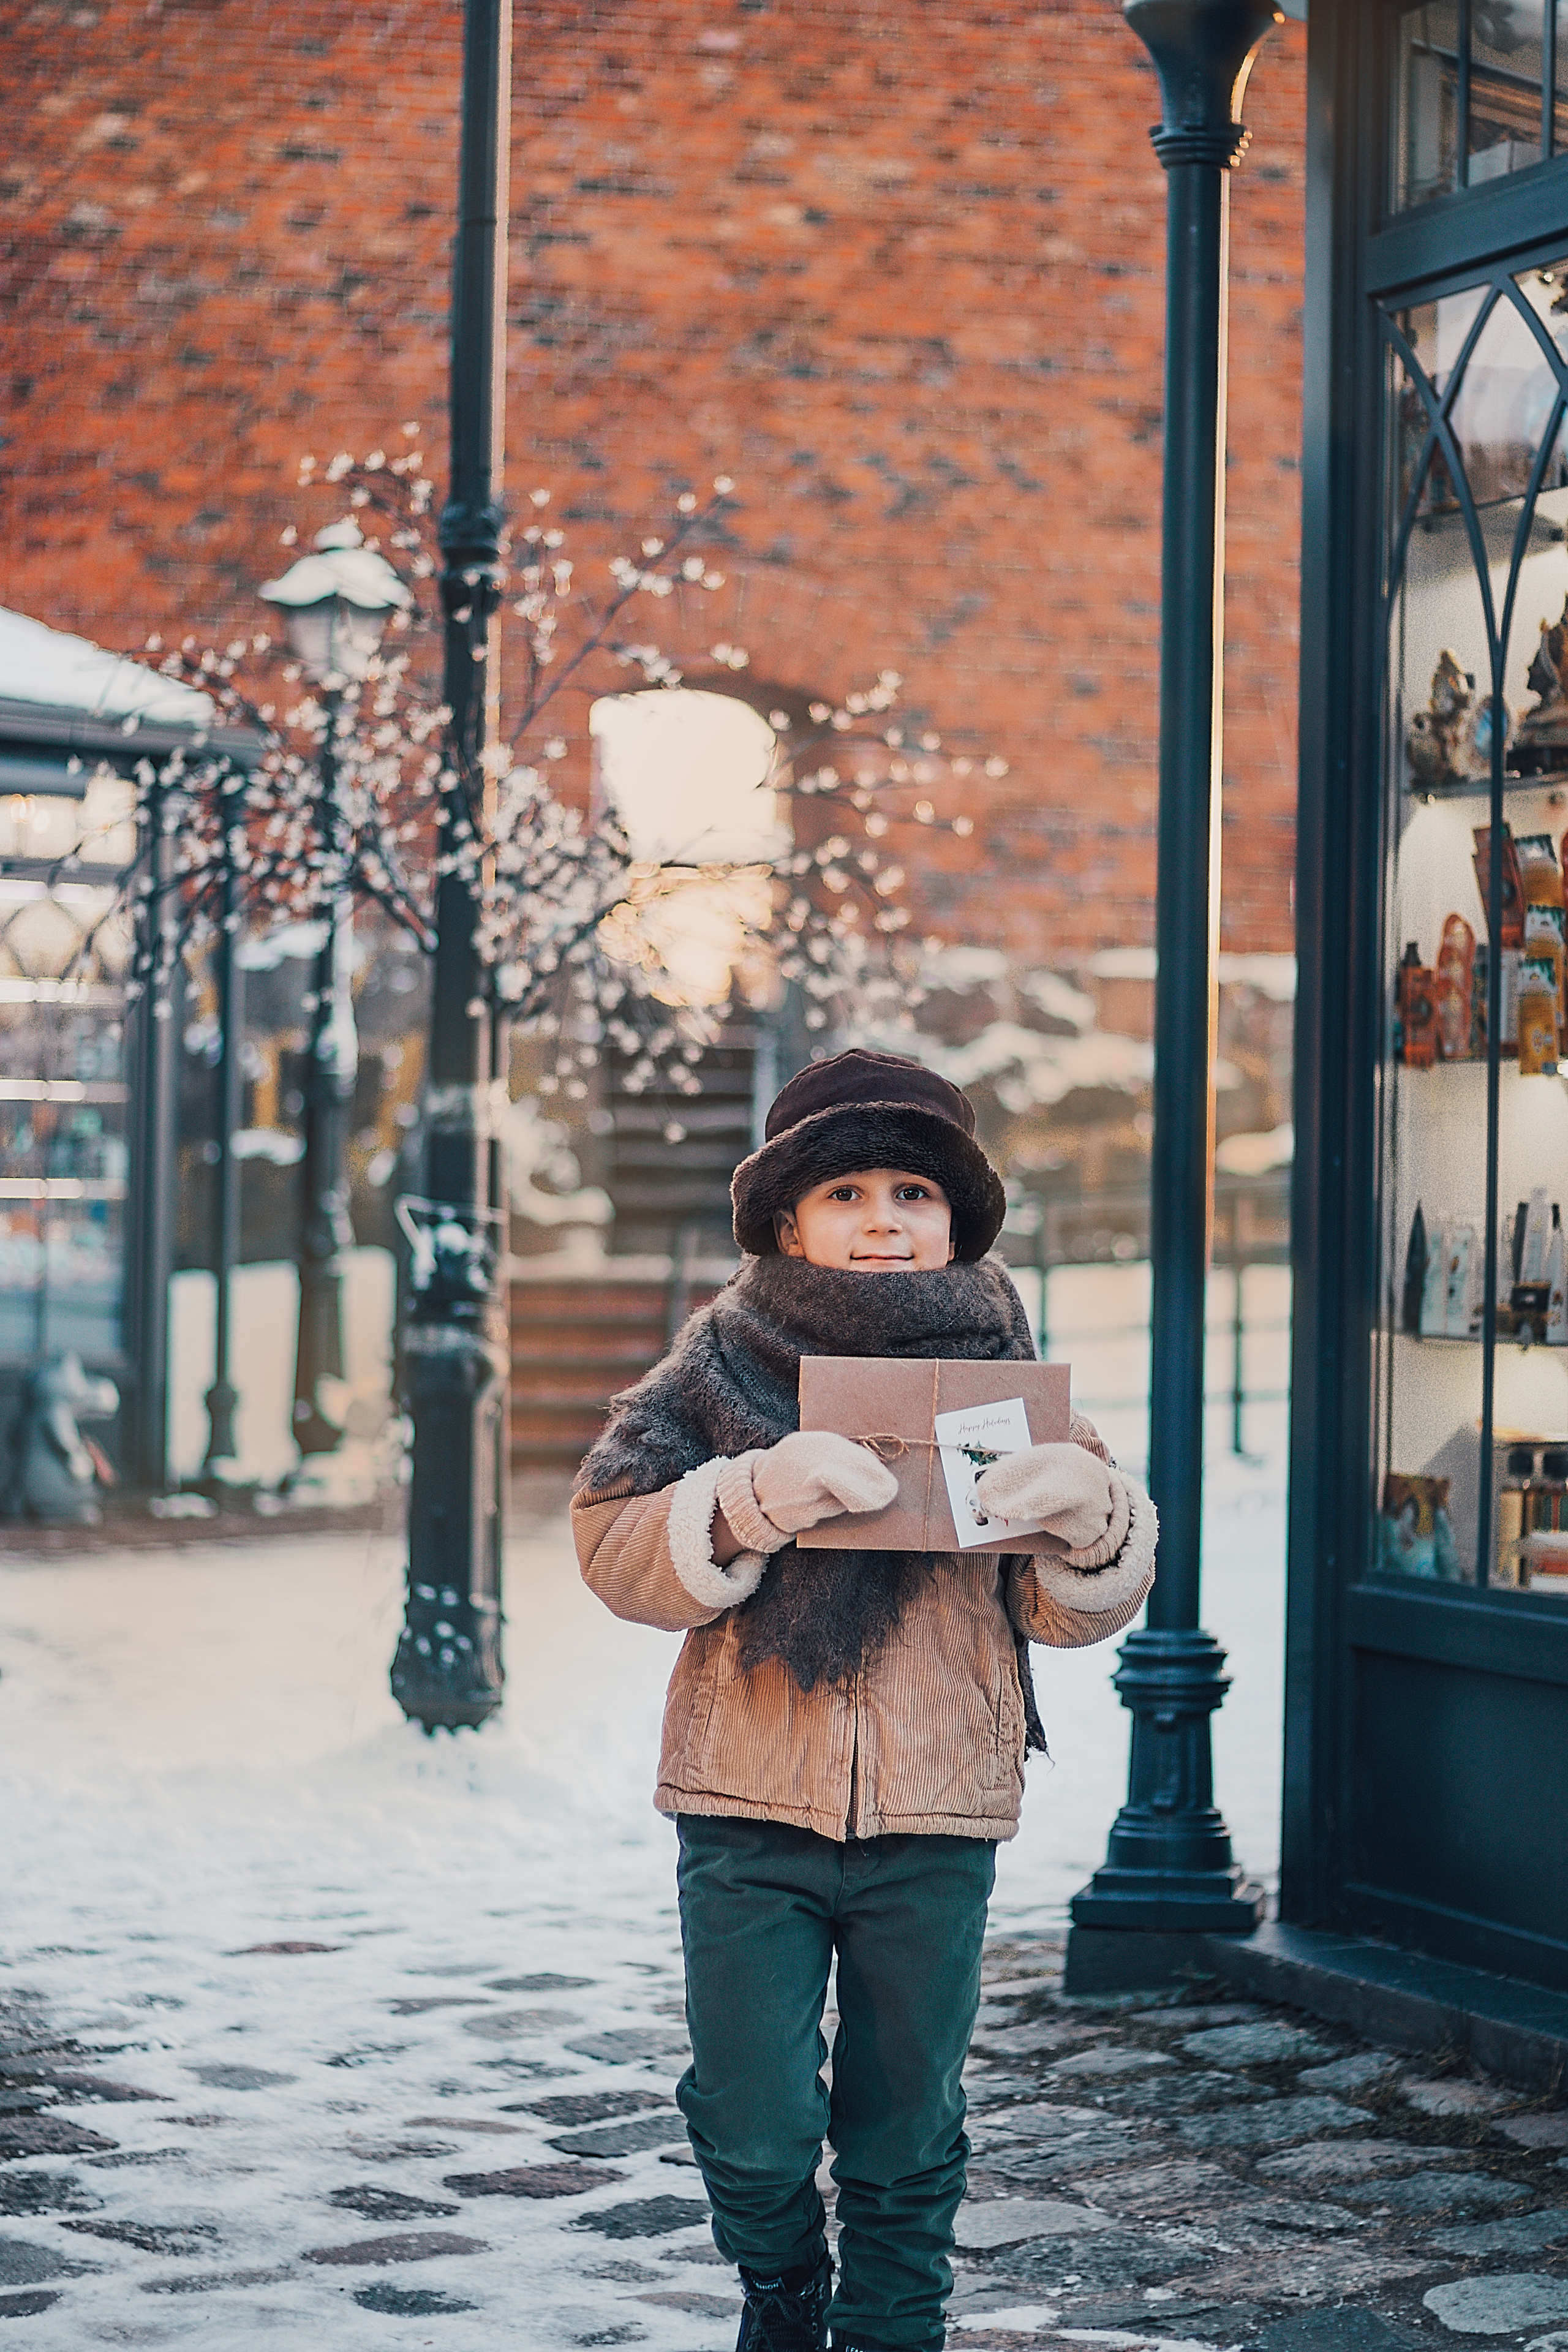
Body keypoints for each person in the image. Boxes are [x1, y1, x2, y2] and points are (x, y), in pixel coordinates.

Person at [573, 1049, 1157, 2352]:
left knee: (905, 2123)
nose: (881, 1220)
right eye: (843, 1193)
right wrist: (752, 1497)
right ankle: (779, 2279)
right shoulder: (712, 1369)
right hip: (747, 1807)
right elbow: (612, 1543)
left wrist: (1091, 1520)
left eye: (911, 1192)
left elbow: (1064, 1613)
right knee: (751, 2111)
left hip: (934, 1816)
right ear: (786, 1219)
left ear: (956, 1218)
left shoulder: (1005, 1378)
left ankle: (896, 2329)